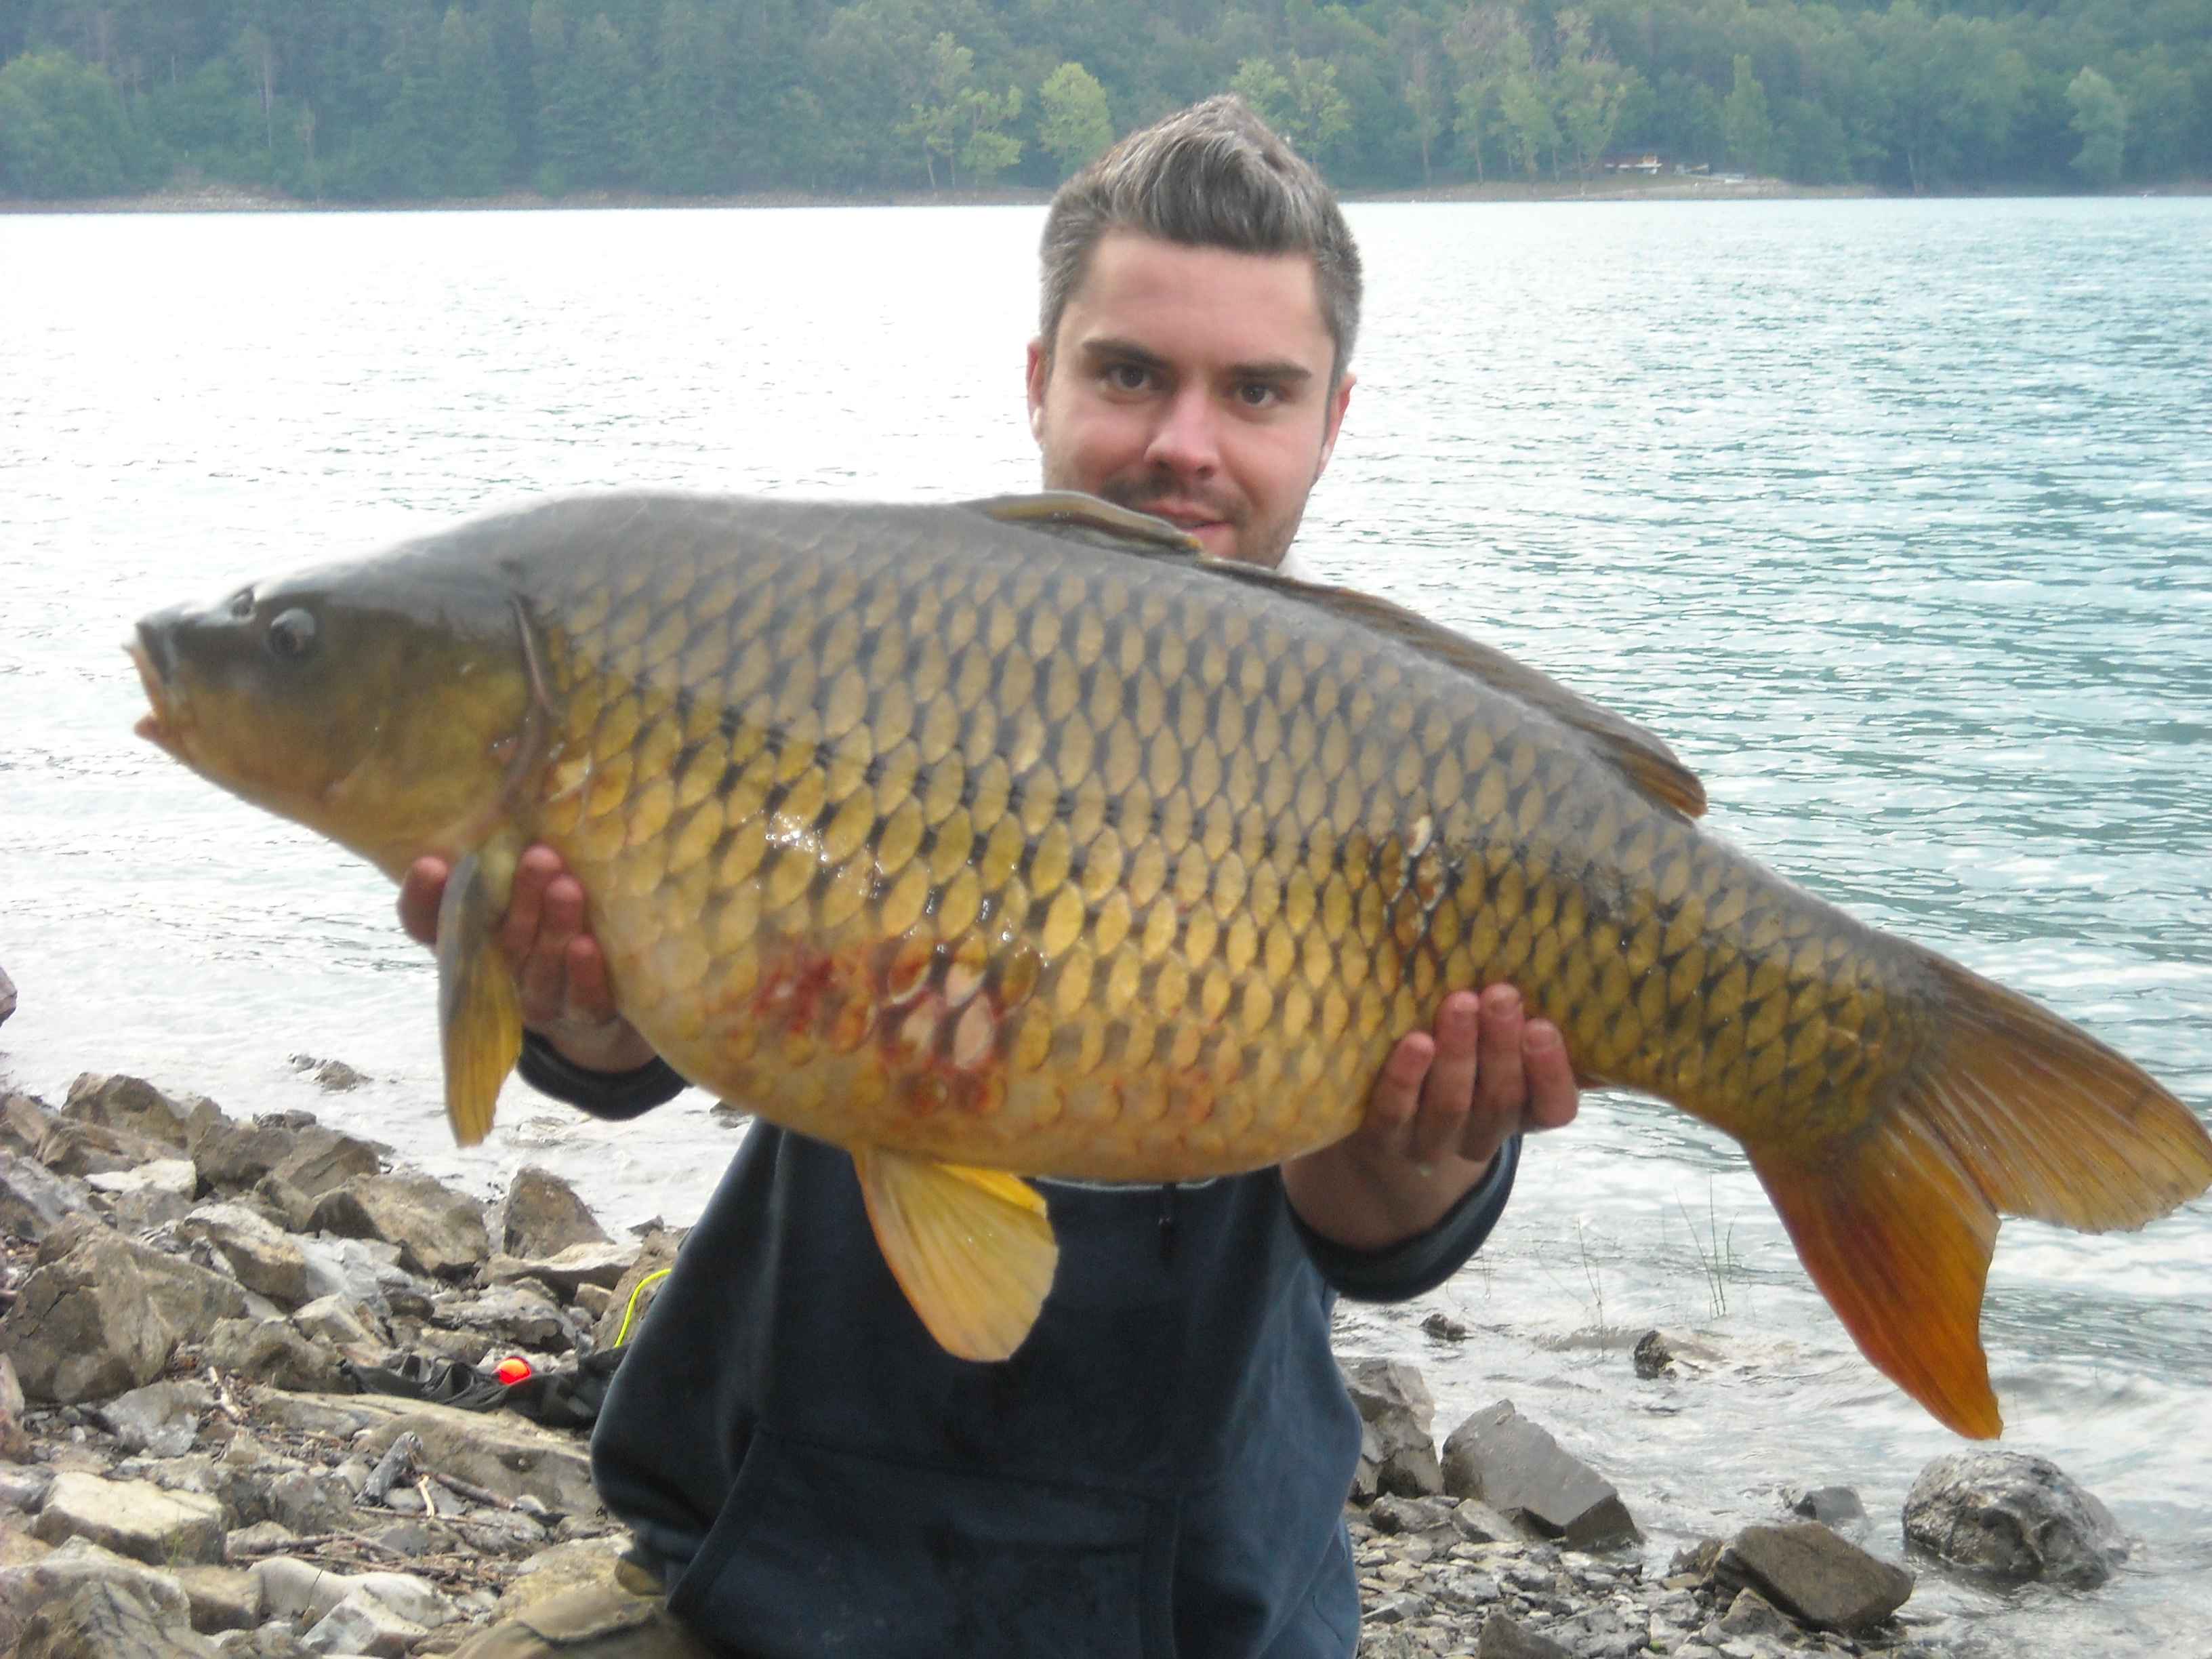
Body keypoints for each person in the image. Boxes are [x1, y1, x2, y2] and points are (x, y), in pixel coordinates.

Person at [429, 97, 1578, 1659]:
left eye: (1255, 391)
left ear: (1333, 420)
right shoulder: (874, 661)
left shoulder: (1396, 770)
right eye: (1129, 374)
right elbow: (643, 1034)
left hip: (1193, 1613)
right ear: (1040, 379)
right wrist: (578, 1003)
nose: (1184, 444)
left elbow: (1379, 1233)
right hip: (758, 1572)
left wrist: (1430, 1128)